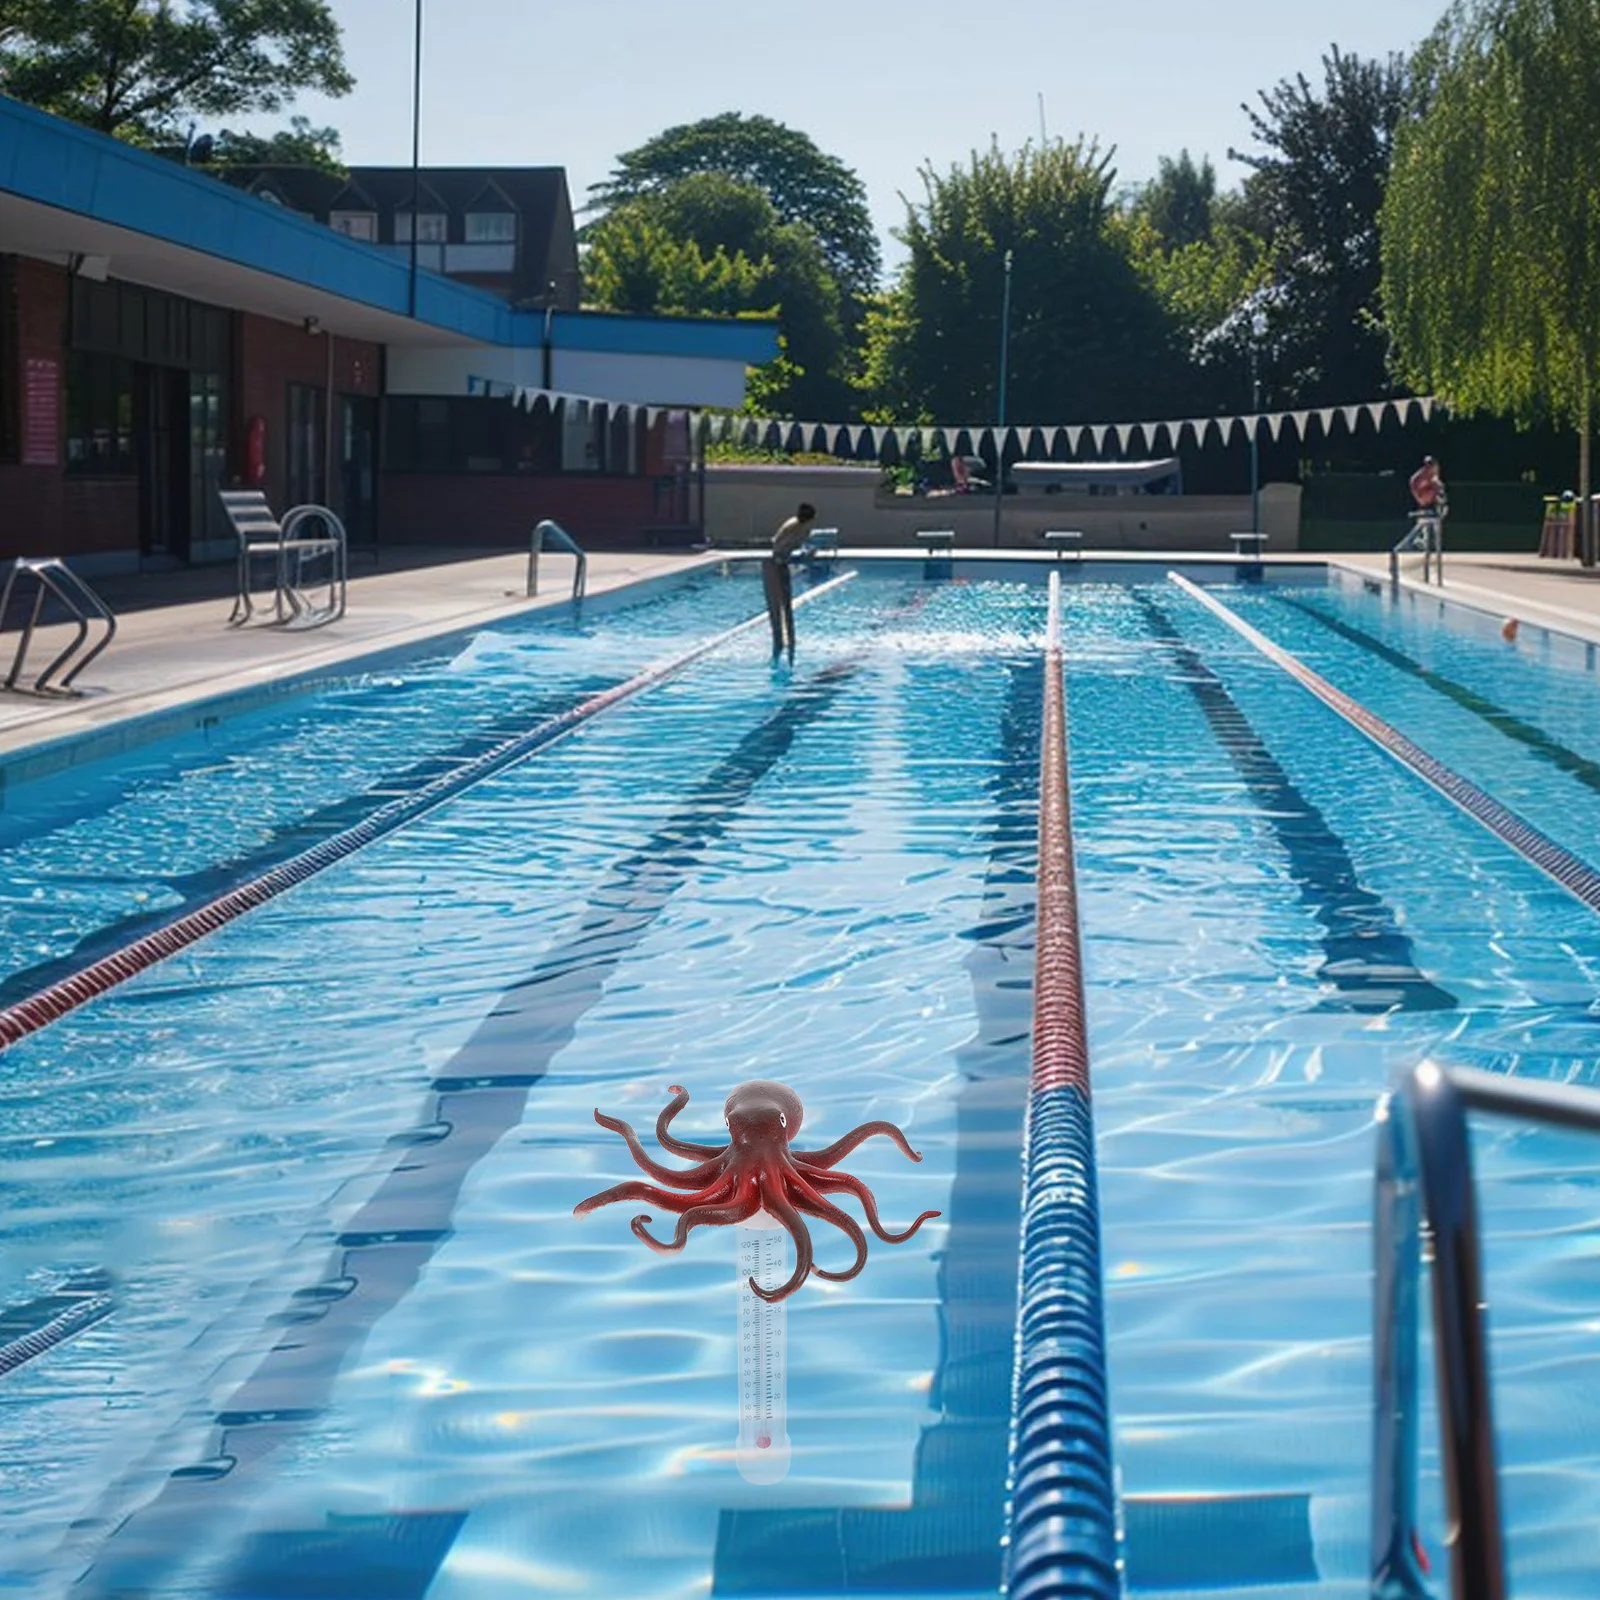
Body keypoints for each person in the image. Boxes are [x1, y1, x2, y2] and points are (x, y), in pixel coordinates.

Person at [764, 502, 815, 658]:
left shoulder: (796, 524)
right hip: (778, 563)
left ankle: (783, 640)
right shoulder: (796, 526)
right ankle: (783, 641)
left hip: (780, 561)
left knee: (784, 606)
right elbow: (782, 545)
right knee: (782, 605)